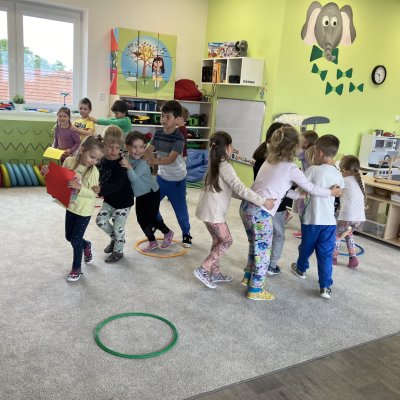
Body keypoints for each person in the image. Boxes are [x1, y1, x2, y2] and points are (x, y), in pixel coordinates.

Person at [241, 126, 342, 301]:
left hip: (247, 208)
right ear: (294, 147)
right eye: (301, 146)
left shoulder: (269, 161)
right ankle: (255, 290)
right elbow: (311, 188)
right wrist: (331, 192)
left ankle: (248, 277)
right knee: (263, 253)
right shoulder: (291, 168)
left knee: (254, 247)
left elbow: (282, 189)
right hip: (261, 213)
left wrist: (299, 195)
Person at [194, 131, 275, 289]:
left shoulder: (215, 164)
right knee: (227, 241)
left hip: (206, 211)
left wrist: (250, 198)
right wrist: (263, 201)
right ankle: (203, 269)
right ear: (226, 147)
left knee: (218, 241)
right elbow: (239, 188)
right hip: (214, 213)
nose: (233, 148)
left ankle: (215, 272)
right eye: (231, 145)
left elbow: (231, 190)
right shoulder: (225, 166)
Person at [42, 137, 104, 281]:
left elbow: (93, 194)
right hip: (70, 206)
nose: (94, 161)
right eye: (92, 157)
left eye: (97, 159)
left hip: (84, 210)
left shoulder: (94, 172)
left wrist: (80, 187)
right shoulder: (69, 161)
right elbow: (60, 180)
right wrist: (47, 174)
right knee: (69, 237)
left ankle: (77, 268)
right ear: (82, 149)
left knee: (75, 240)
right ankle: (86, 245)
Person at [291, 134, 344, 299]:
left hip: (311, 220)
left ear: (319, 152)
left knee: (306, 247)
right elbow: (339, 192)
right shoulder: (338, 174)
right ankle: (325, 286)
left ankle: (301, 269)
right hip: (329, 222)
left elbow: (301, 188)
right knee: (326, 254)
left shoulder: (312, 170)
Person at [144, 100, 192, 247]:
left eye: (168, 117)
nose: (163, 119)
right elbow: (148, 150)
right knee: (149, 204)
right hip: (161, 178)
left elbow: (170, 159)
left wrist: (153, 161)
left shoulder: (179, 138)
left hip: (177, 181)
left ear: (177, 119)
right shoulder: (158, 133)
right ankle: (160, 225)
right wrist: (139, 155)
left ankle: (186, 234)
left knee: (180, 211)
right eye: (162, 116)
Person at [121, 131, 174, 252]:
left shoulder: (143, 162)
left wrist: (128, 167)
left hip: (151, 193)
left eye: (141, 147)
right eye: (134, 147)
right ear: (127, 147)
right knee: (141, 220)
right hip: (140, 194)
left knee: (152, 219)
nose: (138, 150)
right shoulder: (127, 157)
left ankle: (168, 232)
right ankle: (152, 241)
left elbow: (134, 178)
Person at [253, 122, 292, 276]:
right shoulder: (274, 160)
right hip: (273, 205)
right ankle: (271, 265)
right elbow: (283, 186)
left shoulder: (263, 155)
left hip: (261, 202)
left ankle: (259, 263)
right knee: (277, 235)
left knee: (262, 236)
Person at [95, 125, 134, 263]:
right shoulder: (101, 160)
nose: (114, 151)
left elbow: (117, 185)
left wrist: (101, 190)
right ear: (104, 143)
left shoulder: (121, 163)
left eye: (117, 148)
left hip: (124, 202)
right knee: (100, 221)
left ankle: (118, 250)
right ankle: (116, 239)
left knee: (118, 228)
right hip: (109, 200)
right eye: (111, 147)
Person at [333, 155, 366, 268]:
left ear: (346, 171)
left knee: (336, 235)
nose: (341, 173)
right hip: (359, 218)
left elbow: (336, 192)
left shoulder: (344, 180)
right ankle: (353, 258)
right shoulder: (360, 181)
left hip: (347, 216)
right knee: (347, 233)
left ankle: (333, 257)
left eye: (341, 171)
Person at [292, 130, 319, 238]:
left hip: (306, 182)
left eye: (303, 141)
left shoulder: (305, 152)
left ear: (307, 142)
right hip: (310, 182)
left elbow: (295, 154)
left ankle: (304, 229)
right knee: (306, 207)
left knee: (301, 207)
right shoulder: (314, 153)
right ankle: (305, 229)